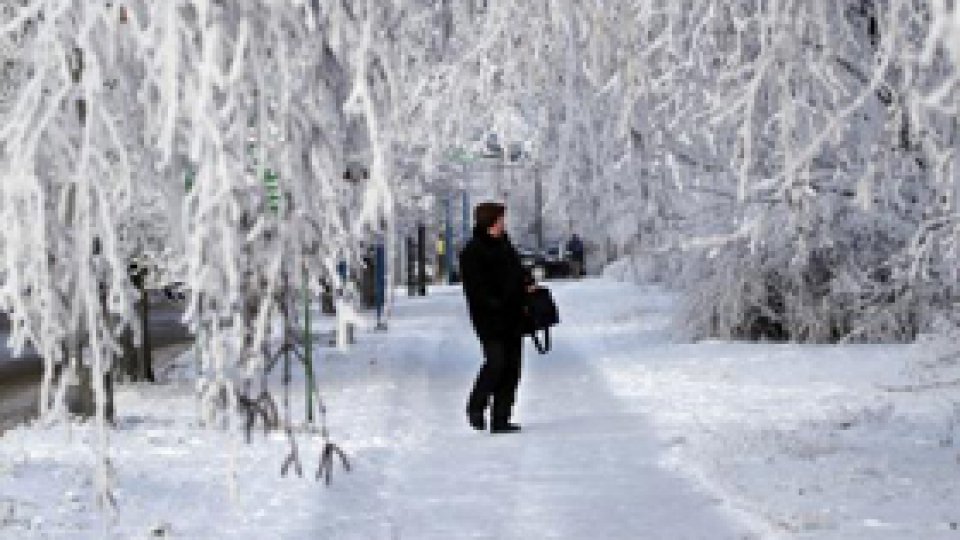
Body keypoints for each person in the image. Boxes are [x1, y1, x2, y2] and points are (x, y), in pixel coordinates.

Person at [460, 202, 533, 434]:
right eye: (500, 219)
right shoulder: (472, 252)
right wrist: (497, 303)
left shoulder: (505, 244)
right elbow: (476, 289)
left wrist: (527, 283)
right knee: (496, 363)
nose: (503, 223)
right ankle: (476, 406)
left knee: (512, 368)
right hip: (489, 319)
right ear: (489, 221)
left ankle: (501, 418)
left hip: (513, 316)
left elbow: (517, 271)